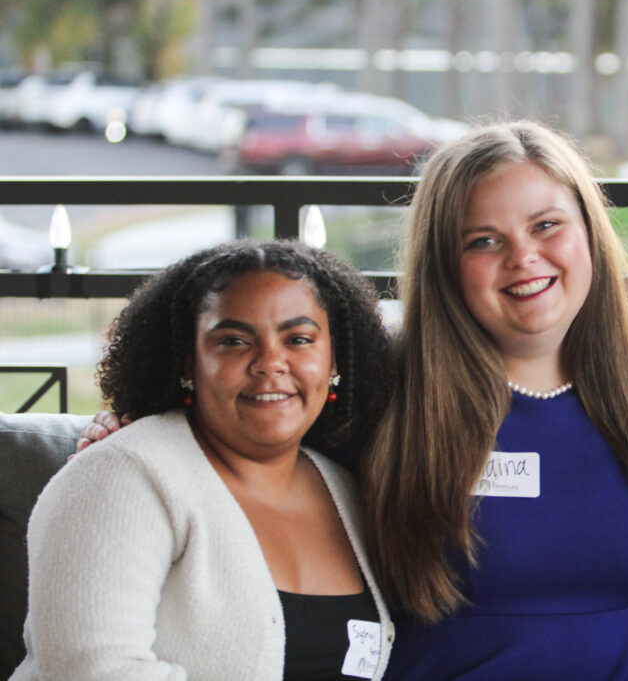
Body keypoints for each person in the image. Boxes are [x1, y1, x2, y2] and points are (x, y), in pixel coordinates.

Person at [360, 120, 628, 680]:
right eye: (483, 240)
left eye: (546, 225)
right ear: (445, 267)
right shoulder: (386, 398)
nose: (523, 257)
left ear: (590, 234)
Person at [13, 240, 395, 681]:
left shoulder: (345, 488)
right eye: (233, 341)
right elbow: (91, 670)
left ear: (334, 361)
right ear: (187, 363)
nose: (271, 362)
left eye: (299, 339)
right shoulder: (121, 474)